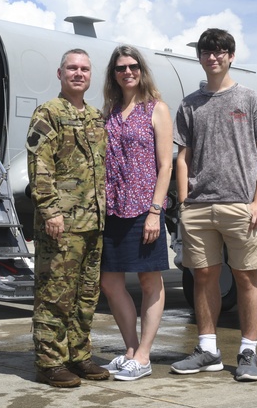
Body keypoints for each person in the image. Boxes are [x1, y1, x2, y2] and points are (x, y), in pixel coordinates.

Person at [170, 28, 257, 382]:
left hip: (240, 206)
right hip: (199, 207)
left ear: (231, 56)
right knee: (203, 277)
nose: (212, 57)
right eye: (206, 51)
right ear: (200, 57)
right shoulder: (189, 104)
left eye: (220, 51)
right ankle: (207, 350)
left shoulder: (250, 99)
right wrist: (185, 202)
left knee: (247, 277)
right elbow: (182, 156)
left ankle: (248, 351)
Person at [26, 48, 110, 388]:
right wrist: (50, 211)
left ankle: (79, 355)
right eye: (72, 68)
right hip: (62, 223)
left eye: (84, 69)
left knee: (86, 294)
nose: (78, 73)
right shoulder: (48, 112)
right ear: (60, 74)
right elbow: (40, 166)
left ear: (91, 76)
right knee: (55, 294)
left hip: (93, 223)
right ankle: (50, 361)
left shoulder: (95, 117)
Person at [99, 45, 173, 381]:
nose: (127, 72)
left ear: (141, 70)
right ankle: (130, 349)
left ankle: (144, 355)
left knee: (149, 281)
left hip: (144, 208)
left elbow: (166, 164)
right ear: (113, 74)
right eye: (120, 68)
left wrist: (155, 211)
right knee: (110, 282)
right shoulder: (110, 111)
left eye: (132, 66)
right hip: (112, 208)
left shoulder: (156, 109)